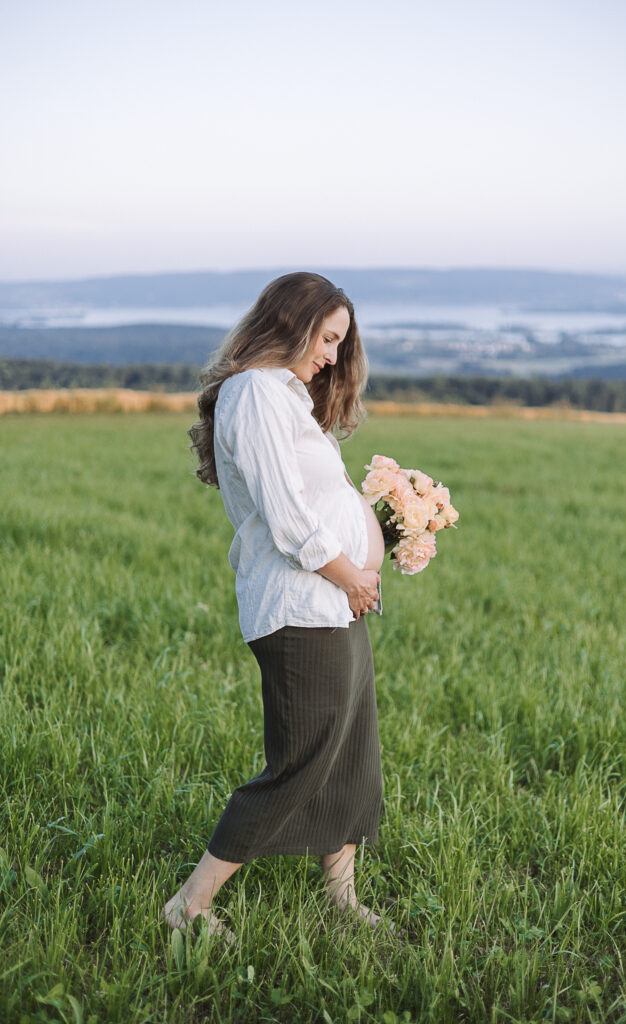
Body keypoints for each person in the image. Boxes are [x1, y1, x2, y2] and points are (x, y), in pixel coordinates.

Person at [162, 272, 388, 940]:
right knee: (300, 764)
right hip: (299, 606)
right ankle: (189, 905)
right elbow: (287, 515)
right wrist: (352, 575)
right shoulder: (257, 391)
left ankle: (340, 899)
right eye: (325, 337)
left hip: (332, 604)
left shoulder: (288, 399)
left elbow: (320, 500)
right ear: (289, 322)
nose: (329, 354)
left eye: (339, 342)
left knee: (349, 753)